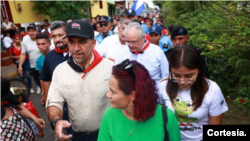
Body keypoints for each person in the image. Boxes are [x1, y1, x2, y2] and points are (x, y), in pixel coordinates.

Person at [46, 19, 113, 141]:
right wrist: (57, 120)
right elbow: (54, 102)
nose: (76, 48)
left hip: (107, 134)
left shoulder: (110, 68)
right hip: (76, 135)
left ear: (93, 43)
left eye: (82, 42)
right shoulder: (60, 71)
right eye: (71, 42)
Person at [158, 45, 228, 140]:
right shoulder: (163, 85)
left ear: (199, 70)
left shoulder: (212, 90)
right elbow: (161, 116)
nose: (182, 81)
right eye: (176, 75)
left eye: (189, 76)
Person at [98, 60, 181, 141]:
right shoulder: (109, 116)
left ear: (132, 95)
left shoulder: (166, 117)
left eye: (113, 92)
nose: (108, 95)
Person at [39, 21, 69, 105]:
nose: (57, 39)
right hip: (59, 102)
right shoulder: (49, 56)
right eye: (54, 36)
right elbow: (46, 79)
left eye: (60, 35)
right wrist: (48, 100)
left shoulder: (77, 53)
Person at [18, 23, 41, 94]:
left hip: (44, 65)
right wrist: (20, 65)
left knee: (48, 81)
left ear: (37, 31)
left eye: (33, 30)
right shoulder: (25, 40)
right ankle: (41, 88)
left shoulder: (41, 38)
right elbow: (23, 54)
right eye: (29, 31)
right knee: (37, 81)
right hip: (33, 66)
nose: (31, 32)